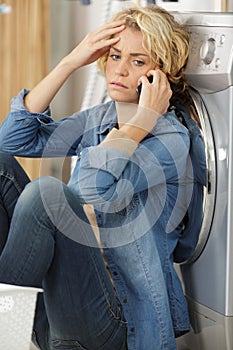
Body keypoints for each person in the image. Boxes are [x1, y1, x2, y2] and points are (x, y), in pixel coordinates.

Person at [0, 5, 206, 350]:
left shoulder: (170, 140)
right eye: (114, 56)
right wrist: (71, 61)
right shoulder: (102, 116)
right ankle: (7, 324)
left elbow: (85, 194)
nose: (120, 70)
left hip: (119, 326)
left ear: (161, 74)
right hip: (63, 309)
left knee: (46, 195)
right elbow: (12, 140)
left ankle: (4, 326)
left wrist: (139, 123)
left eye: (138, 62)